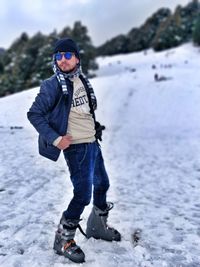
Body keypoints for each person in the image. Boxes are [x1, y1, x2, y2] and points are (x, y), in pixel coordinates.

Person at [27, 37, 121, 263]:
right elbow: (34, 114)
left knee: (103, 183)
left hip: (91, 143)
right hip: (76, 148)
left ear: (77, 58)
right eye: (58, 56)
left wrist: (94, 127)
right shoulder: (52, 85)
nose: (62, 60)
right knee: (82, 195)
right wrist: (56, 138)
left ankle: (97, 226)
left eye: (67, 55)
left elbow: (83, 112)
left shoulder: (82, 80)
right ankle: (63, 237)